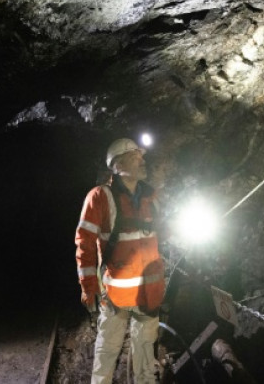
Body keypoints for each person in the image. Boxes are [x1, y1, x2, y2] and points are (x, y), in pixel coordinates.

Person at [75, 138, 165, 384]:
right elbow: (84, 245)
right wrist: (89, 288)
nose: (142, 160)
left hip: (149, 294)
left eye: (141, 156)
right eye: (136, 156)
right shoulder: (100, 197)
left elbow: (163, 236)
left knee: (147, 362)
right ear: (117, 164)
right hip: (116, 296)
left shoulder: (152, 197)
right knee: (107, 355)